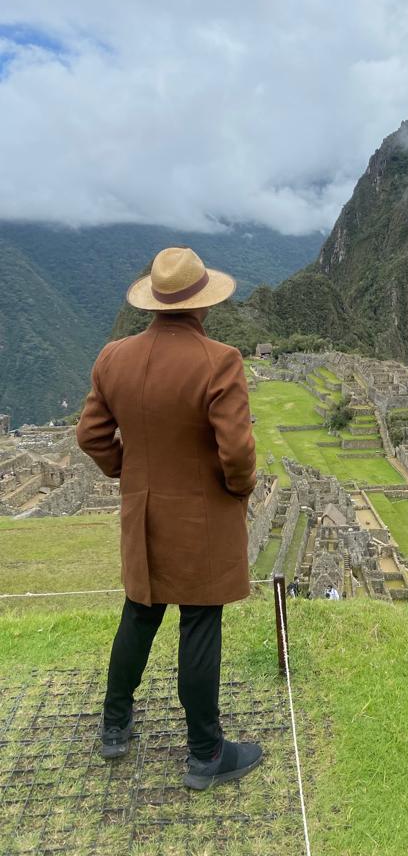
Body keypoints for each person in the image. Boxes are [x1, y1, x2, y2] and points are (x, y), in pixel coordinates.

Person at [76, 247, 262, 791]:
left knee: (139, 614)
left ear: (155, 303)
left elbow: (90, 435)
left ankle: (115, 726)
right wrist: (237, 489)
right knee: (199, 624)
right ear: (203, 305)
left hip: (144, 515)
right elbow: (237, 451)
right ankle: (205, 753)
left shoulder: (114, 357)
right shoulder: (219, 360)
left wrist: (128, 472)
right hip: (202, 518)